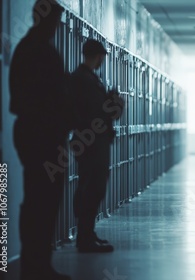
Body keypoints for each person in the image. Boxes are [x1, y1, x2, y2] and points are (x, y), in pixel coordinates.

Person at [9, 1, 73, 279]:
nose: (56, 27)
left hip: (37, 134)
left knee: (39, 200)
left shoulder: (29, 48)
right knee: (42, 201)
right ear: (45, 18)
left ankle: (36, 264)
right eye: (55, 21)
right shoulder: (38, 51)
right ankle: (36, 266)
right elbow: (46, 98)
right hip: (42, 137)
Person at [70, 39, 124, 253]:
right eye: (102, 57)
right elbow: (94, 112)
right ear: (98, 56)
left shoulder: (88, 78)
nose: (102, 60)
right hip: (91, 142)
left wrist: (109, 101)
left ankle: (87, 234)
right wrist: (111, 102)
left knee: (93, 186)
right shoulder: (82, 79)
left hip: (93, 141)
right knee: (92, 187)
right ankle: (84, 238)